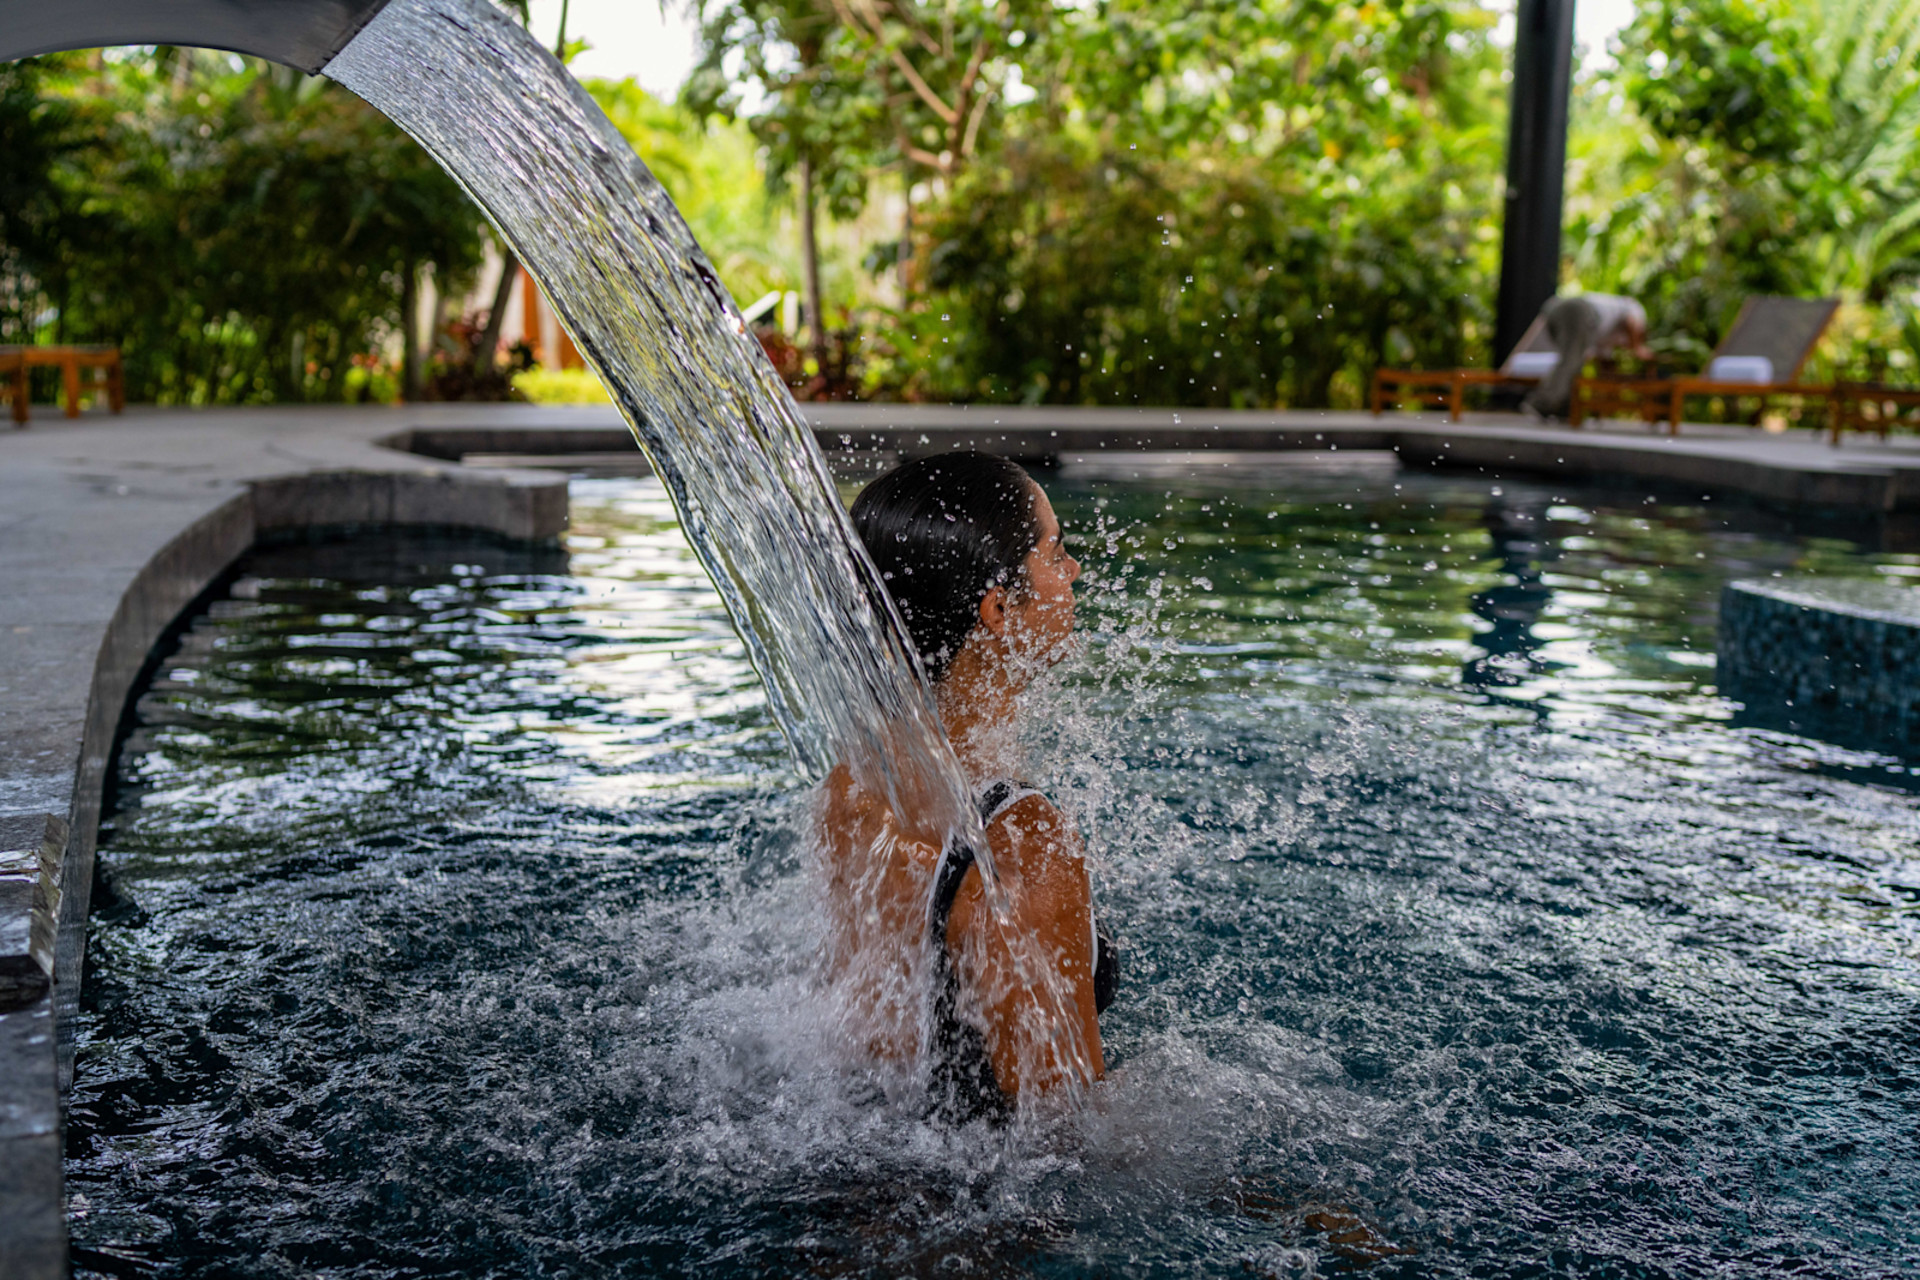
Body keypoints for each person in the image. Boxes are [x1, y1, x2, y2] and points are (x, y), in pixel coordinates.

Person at [819, 451, 1116, 1122]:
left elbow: (868, 1043)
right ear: (1000, 609)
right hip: (980, 1220)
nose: (1073, 572)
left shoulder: (854, 784)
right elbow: (1061, 1133)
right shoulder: (1019, 843)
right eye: (1054, 551)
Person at [1523, 291, 1653, 420]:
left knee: (1574, 362)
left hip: (1556, 309)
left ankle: (1563, 407)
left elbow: (1602, 362)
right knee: (1570, 360)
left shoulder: (1606, 333)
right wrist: (1638, 348)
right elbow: (1632, 322)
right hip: (1578, 310)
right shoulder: (1633, 307)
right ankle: (1541, 403)